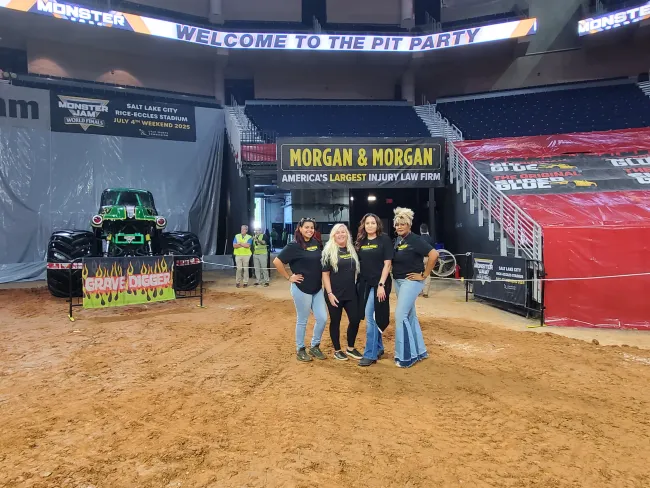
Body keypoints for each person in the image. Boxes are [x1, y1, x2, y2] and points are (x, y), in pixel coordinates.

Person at [273, 218, 328, 362]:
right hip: (301, 288)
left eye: (312, 228)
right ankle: (300, 349)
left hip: (316, 288)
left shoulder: (316, 243)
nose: (309, 230)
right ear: (300, 228)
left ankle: (315, 346)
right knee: (302, 320)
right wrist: (289, 277)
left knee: (322, 318)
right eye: (306, 227)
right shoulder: (294, 245)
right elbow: (277, 261)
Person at [391, 207, 439, 368]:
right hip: (398, 281)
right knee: (410, 315)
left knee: (400, 315)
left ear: (409, 225)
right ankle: (419, 351)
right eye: (397, 224)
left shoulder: (415, 239)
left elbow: (434, 254)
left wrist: (424, 275)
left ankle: (406, 356)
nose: (399, 227)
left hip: (410, 281)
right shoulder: (398, 240)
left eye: (402, 224)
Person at [355, 213, 394, 367]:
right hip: (365, 283)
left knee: (370, 316)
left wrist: (381, 285)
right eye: (367, 223)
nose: (370, 225)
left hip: (380, 284)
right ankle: (378, 347)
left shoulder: (384, 239)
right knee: (371, 315)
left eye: (373, 223)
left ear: (378, 224)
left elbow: (387, 264)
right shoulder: (361, 241)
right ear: (363, 225)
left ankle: (370, 354)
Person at [321, 224, 363, 361]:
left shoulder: (352, 250)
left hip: (351, 292)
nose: (341, 234)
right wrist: (330, 294)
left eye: (343, 232)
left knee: (355, 319)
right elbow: (325, 275)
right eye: (337, 232)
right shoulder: (328, 251)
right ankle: (337, 350)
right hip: (334, 294)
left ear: (347, 234)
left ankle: (350, 348)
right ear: (333, 235)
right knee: (336, 321)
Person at [419, 223, 436, 298]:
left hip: (420, 258)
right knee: (427, 275)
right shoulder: (431, 239)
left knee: (419, 274)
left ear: (420, 230)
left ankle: (419, 291)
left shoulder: (419, 238)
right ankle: (425, 292)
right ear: (427, 230)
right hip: (429, 258)